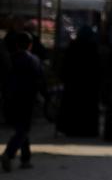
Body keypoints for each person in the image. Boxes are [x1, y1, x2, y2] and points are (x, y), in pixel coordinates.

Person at [2, 32, 47, 171]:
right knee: (24, 129)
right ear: (30, 45)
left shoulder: (10, 59)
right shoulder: (34, 60)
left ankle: (25, 158)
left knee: (21, 128)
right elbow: (41, 79)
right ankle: (9, 153)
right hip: (27, 98)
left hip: (11, 97)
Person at [57, 26, 101, 137]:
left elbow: (66, 65)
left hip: (74, 84)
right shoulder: (93, 47)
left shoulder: (73, 46)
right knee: (87, 108)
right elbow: (97, 67)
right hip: (89, 85)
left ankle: (72, 129)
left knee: (74, 107)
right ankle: (88, 130)